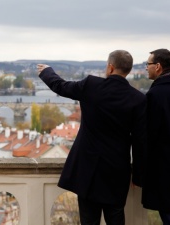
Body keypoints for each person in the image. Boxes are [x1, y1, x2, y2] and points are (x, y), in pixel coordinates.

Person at [37, 50, 146, 225]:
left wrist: (47, 71)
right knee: (116, 217)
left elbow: (61, 86)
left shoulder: (91, 85)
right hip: (117, 170)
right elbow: (140, 141)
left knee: (89, 220)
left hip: (88, 168)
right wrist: (138, 175)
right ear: (128, 70)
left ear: (110, 67)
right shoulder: (138, 99)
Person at [142, 48, 170, 225]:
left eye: (148, 64)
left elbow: (148, 135)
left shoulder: (154, 95)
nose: (146, 68)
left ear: (158, 67)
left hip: (165, 171)